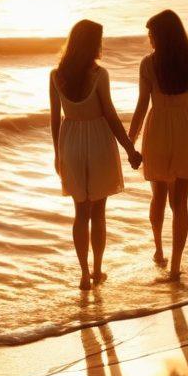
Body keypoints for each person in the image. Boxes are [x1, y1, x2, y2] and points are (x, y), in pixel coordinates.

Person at [128, 9, 188, 281]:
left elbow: (141, 106)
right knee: (180, 203)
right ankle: (176, 265)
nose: (149, 38)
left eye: (151, 34)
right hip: (185, 129)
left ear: (161, 35)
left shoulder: (148, 64)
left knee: (158, 195)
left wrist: (130, 142)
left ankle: (159, 250)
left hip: (157, 128)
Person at [50, 19, 141, 291]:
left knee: (80, 212)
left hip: (70, 143)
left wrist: (57, 153)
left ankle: (84, 274)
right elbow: (110, 116)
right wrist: (130, 149)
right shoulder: (100, 75)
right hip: (99, 142)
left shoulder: (56, 75)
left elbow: (54, 120)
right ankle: (98, 270)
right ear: (92, 44)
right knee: (98, 212)